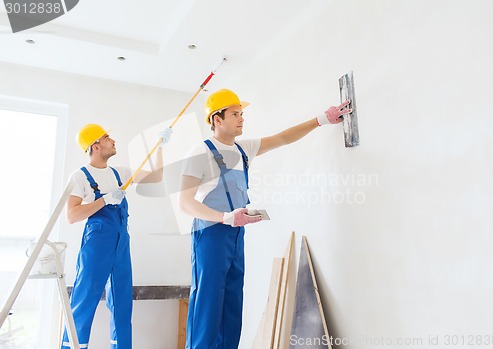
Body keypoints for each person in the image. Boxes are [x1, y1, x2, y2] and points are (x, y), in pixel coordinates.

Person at [179, 89, 351, 349]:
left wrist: (322, 119)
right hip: (210, 236)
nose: (241, 119)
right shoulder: (200, 152)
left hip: (236, 235)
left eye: (242, 114)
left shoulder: (243, 149)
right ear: (216, 119)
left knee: (232, 307)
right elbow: (185, 202)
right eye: (235, 114)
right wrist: (225, 217)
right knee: (208, 308)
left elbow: (283, 137)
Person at [61, 124, 172, 349]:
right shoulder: (80, 176)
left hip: (121, 241)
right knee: (84, 301)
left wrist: (161, 146)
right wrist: (103, 200)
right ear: (95, 145)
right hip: (97, 242)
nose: (113, 141)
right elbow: (72, 215)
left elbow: (156, 176)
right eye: (107, 137)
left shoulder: (118, 173)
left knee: (122, 302)